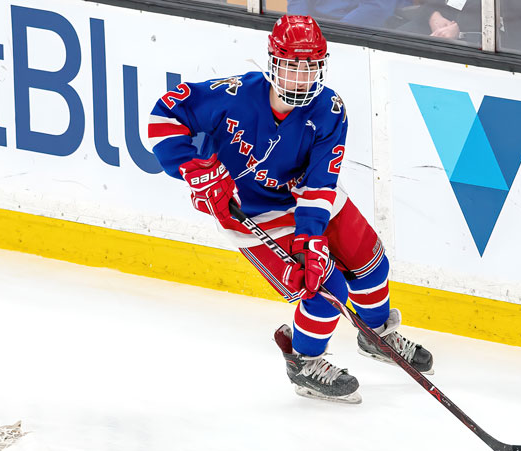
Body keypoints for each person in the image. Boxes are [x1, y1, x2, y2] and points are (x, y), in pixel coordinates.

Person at [148, 15, 433, 404]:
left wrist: (310, 237)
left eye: (310, 67)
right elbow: (164, 115)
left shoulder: (329, 110)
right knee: (325, 289)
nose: (301, 78)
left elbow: (320, 184)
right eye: (291, 66)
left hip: (304, 197)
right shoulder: (233, 95)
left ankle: (376, 334)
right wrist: (194, 169)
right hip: (251, 212)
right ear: (273, 63)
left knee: (370, 260)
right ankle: (304, 362)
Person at [287, 0, 410, 28]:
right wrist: (301, 27)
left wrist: (334, 34)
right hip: (319, 29)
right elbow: (298, 3)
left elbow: (377, 9)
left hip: (373, 32)